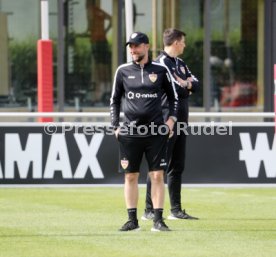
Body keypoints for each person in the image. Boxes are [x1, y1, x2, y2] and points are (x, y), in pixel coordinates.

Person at [110, 32, 178, 232]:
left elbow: (174, 98)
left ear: (147, 47)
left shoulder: (161, 69)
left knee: (157, 175)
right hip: (130, 133)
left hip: (156, 132)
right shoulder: (122, 71)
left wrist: (171, 121)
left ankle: (158, 220)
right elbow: (114, 100)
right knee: (130, 176)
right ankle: (132, 220)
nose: (133, 50)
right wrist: (115, 126)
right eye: (130, 46)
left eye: (137, 46)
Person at [142, 28, 200, 220]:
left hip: (182, 123)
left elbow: (196, 85)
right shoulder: (160, 64)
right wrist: (186, 85)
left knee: (177, 165)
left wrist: (186, 83)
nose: (184, 45)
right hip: (166, 122)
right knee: (158, 167)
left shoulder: (180, 63)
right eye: (183, 41)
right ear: (176, 42)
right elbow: (177, 91)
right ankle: (149, 210)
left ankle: (176, 210)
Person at [86, 0, 112, 103]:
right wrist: (105, 31)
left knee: (98, 65)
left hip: (96, 41)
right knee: (104, 64)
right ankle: (106, 87)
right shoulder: (99, 11)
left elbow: (90, 25)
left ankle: (101, 90)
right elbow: (111, 19)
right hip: (103, 39)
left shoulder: (91, 11)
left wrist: (88, 32)